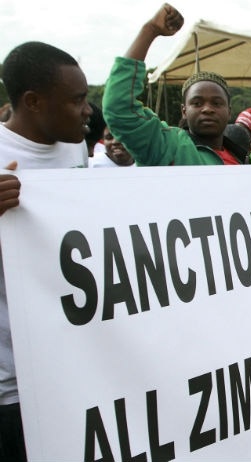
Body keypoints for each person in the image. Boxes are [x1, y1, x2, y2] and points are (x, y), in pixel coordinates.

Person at [0, 40, 92, 462]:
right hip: (11, 382)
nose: (88, 110)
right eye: (77, 100)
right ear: (33, 102)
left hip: (70, 364)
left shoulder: (74, 148)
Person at [102, 3, 251, 175]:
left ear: (229, 111)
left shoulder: (244, 157)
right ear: (184, 111)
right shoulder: (167, 146)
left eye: (216, 103)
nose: (207, 109)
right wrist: (150, 30)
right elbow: (118, 108)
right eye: (197, 103)